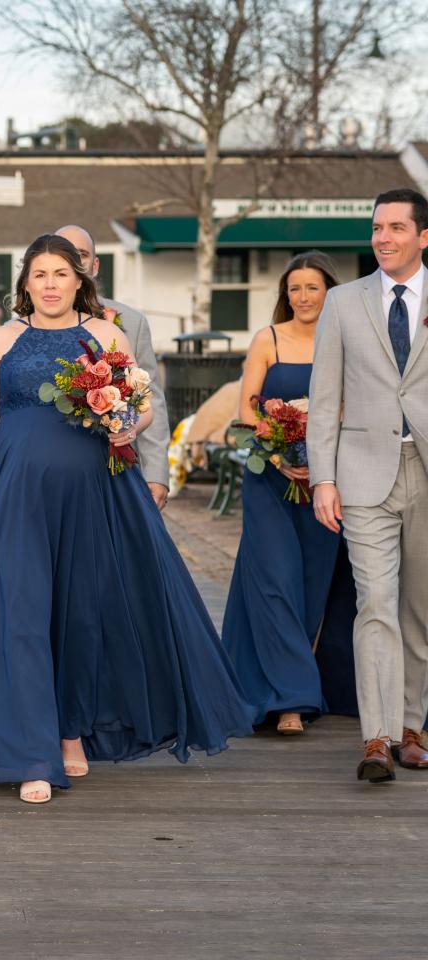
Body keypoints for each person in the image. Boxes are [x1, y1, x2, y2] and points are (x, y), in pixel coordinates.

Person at [0, 233, 253, 804]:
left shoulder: (106, 335)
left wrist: (130, 427)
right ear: (25, 283)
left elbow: (141, 406)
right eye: (39, 274)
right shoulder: (0, 341)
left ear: (80, 280)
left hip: (95, 496)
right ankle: (30, 753)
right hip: (16, 498)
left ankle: (72, 730)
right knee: (19, 615)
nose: (49, 284)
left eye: (60, 273)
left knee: (78, 615)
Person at [308, 187, 428, 783]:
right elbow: (324, 397)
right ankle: (376, 737)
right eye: (377, 228)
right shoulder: (341, 301)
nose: (383, 237)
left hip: (426, 470)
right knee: (375, 602)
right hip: (361, 472)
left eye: (396, 228)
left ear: (423, 236)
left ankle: (413, 727)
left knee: (420, 608)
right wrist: (323, 477)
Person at [222, 252, 355, 735]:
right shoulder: (268, 339)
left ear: (330, 292)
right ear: (285, 294)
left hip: (327, 484)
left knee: (310, 589)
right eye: (295, 288)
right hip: (270, 481)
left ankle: (268, 682)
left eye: (313, 288)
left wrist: (317, 460)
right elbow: (246, 414)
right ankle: (292, 702)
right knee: (275, 580)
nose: (303, 297)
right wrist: (280, 456)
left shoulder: (345, 339)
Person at [54, 225, 170, 508]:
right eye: (63, 254)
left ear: (94, 265)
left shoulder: (130, 322)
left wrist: (156, 473)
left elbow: (148, 397)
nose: (72, 262)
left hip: (112, 466)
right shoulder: (26, 328)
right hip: (50, 466)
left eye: (80, 255)